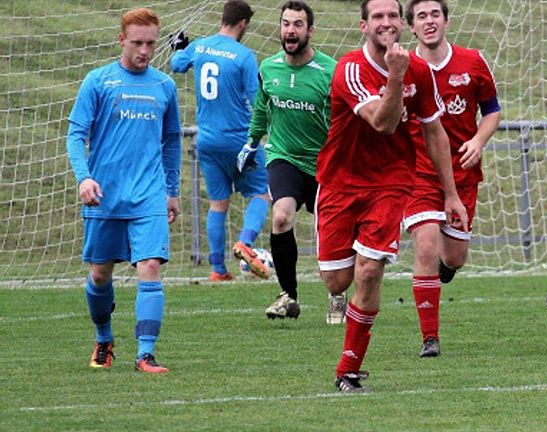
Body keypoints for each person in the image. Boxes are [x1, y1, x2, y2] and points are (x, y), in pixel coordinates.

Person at [314, 0, 468, 392]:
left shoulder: (419, 70)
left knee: (369, 271)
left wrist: (451, 195)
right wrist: (396, 76)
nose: (386, 23)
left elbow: (434, 132)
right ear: (364, 26)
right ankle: (339, 302)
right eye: (377, 17)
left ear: (401, 23)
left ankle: (348, 369)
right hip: (340, 183)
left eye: (392, 16)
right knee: (337, 281)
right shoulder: (350, 68)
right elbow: (382, 122)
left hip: (390, 184)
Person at [66, 8, 181, 372]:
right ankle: (104, 338)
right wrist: (84, 177)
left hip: (149, 194)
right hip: (106, 196)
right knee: (100, 275)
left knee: (149, 266)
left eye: (150, 43)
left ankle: (145, 354)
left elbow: (172, 140)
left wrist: (171, 189)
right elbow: (75, 135)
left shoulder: (164, 86)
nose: (145, 51)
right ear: (121, 40)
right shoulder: (98, 82)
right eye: (137, 43)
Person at [401, 0, 501, 358]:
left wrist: (478, 140)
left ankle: (443, 270)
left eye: (435, 15)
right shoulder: (402, 67)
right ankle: (430, 338)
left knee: (454, 257)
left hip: (462, 174)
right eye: (421, 17)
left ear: (446, 21)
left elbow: (491, 112)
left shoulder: (472, 62)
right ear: (411, 26)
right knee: (425, 245)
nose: (429, 22)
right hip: (418, 175)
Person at [240, 1, 345, 322]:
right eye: (286, 23)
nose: (290, 30)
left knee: (331, 230)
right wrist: (251, 143)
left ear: (310, 31)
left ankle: (337, 294)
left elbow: (347, 117)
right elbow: (262, 108)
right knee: (281, 217)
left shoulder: (331, 70)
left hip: (326, 163)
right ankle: (289, 296)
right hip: (284, 156)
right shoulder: (269, 67)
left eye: (298, 24)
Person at [170, 0, 271, 282]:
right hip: (238, 139)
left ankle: (217, 270)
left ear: (222, 19)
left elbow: (177, 65)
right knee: (261, 194)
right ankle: (245, 243)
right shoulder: (244, 56)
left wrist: (179, 46)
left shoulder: (200, 46)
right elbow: (256, 99)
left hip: (206, 141)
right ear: (243, 24)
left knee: (218, 204)